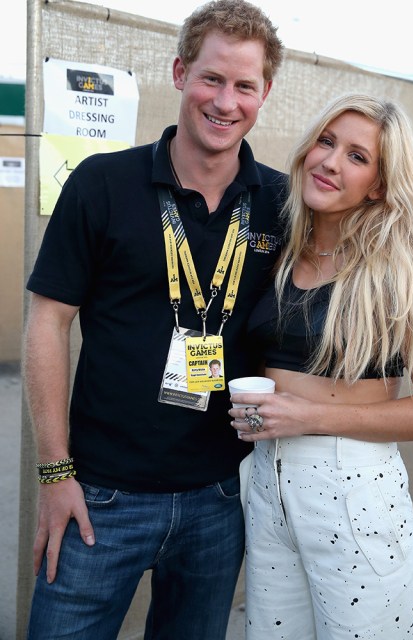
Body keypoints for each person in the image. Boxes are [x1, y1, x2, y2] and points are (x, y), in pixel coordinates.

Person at [23, 2, 285, 638]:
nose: (226, 102)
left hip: (222, 497)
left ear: (264, 92)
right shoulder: (101, 183)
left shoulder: (282, 203)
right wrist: (55, 474)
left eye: (244, 85)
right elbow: (47, 325)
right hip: (99, 497)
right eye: (211, 78)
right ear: (179, 73)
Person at [226, 93, 413, 639]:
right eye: (327, 142)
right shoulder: (284, 250)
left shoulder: (401, 267)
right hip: (268, 484)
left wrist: (308, 417)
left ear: (380, 184)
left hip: (352, 488)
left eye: (357, 157)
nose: (331, 161)